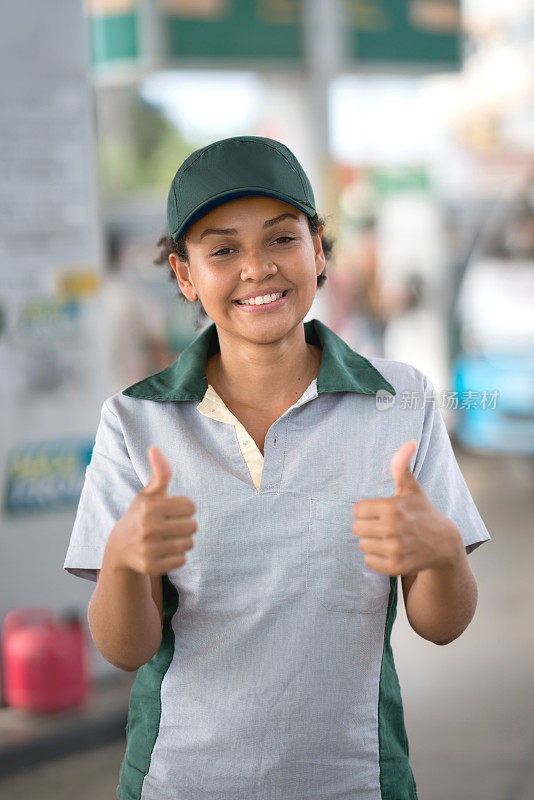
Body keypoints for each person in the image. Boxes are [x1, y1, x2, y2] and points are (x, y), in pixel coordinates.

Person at [63, 135, 491, 800]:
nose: (257, 268)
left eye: (281, 239)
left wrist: (441, 556)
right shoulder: (136, 421)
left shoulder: (400, 399)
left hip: (356, 782)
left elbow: (441, 624)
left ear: (318, 249)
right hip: (179, 783)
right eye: (223, 249)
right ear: (184, 275)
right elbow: (125, 649)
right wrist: (123, 561)